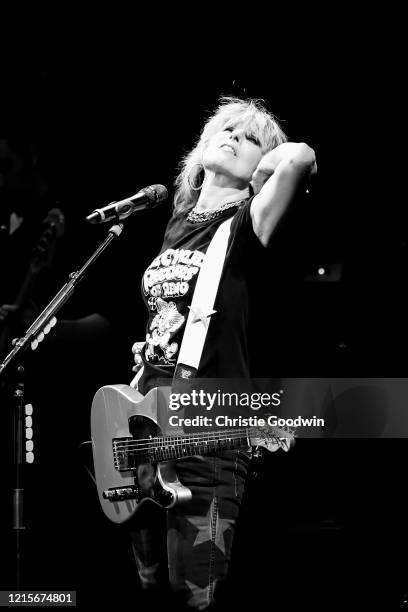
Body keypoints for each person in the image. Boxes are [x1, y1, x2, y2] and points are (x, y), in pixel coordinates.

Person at [127, 96, 317, 610]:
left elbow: (300, 158)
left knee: (194, 591)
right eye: (226, 129)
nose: (233, 137)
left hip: (207, 428)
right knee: (147, 589)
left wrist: (265, 166)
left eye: (249, 138)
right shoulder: (177, 221)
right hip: (146, 425)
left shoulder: (248, 222)